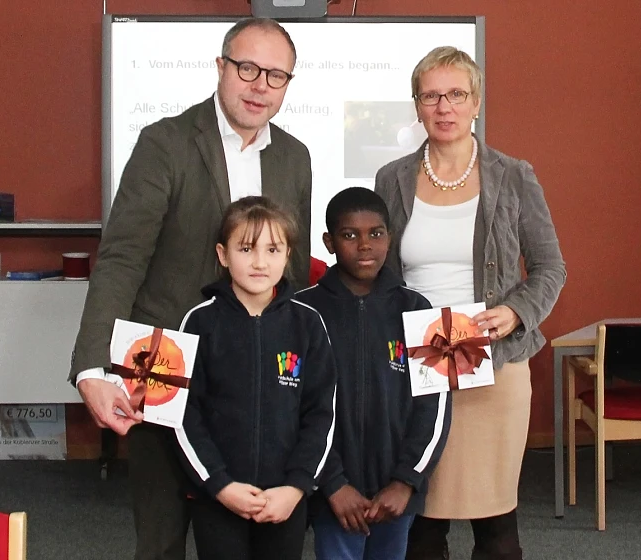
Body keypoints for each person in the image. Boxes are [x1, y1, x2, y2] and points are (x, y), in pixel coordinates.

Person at [68, 17, 312, 560]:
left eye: (276, 75)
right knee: (162, 537)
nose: (259, 85)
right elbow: (123, 258)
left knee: (253, 536)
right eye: (247, 68)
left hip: (256, 383)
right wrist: (91, 366)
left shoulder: (295, 157)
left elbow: (290, 275)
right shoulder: (166, 143)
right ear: (221, 68)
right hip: (165, 371)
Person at [373, 47, 566, 560]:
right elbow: (380, 273)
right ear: (416, 106)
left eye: (456, 94)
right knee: (421, 522)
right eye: (431, 95)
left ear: (476, 101)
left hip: (495, 367)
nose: (444, 106)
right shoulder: (391, 178)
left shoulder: (513, 175)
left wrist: (516, 312)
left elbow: (551, 268)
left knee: (496, 522)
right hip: (416, 370)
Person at [175, 196, 336, 560]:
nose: (260, 262)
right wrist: (219, 484)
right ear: (222, 254)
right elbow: (184, 417)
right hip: (218, 496)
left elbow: (321, 415)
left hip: (284, 499)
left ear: (288, 254)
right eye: (246, 248)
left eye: (273, 249)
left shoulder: (307, 324)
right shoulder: (199, 322)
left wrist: (296, 487)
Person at [295, 187, 452, 560]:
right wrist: (332, 484)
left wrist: (405, 482)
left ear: (390, 237)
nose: (365, 245)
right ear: (329, 242)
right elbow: (295, 407)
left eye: (376, 233)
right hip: (332, 493)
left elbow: (436, 406)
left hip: (395, 493)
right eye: (350, 235)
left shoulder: (419, 310)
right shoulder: (302, 312)